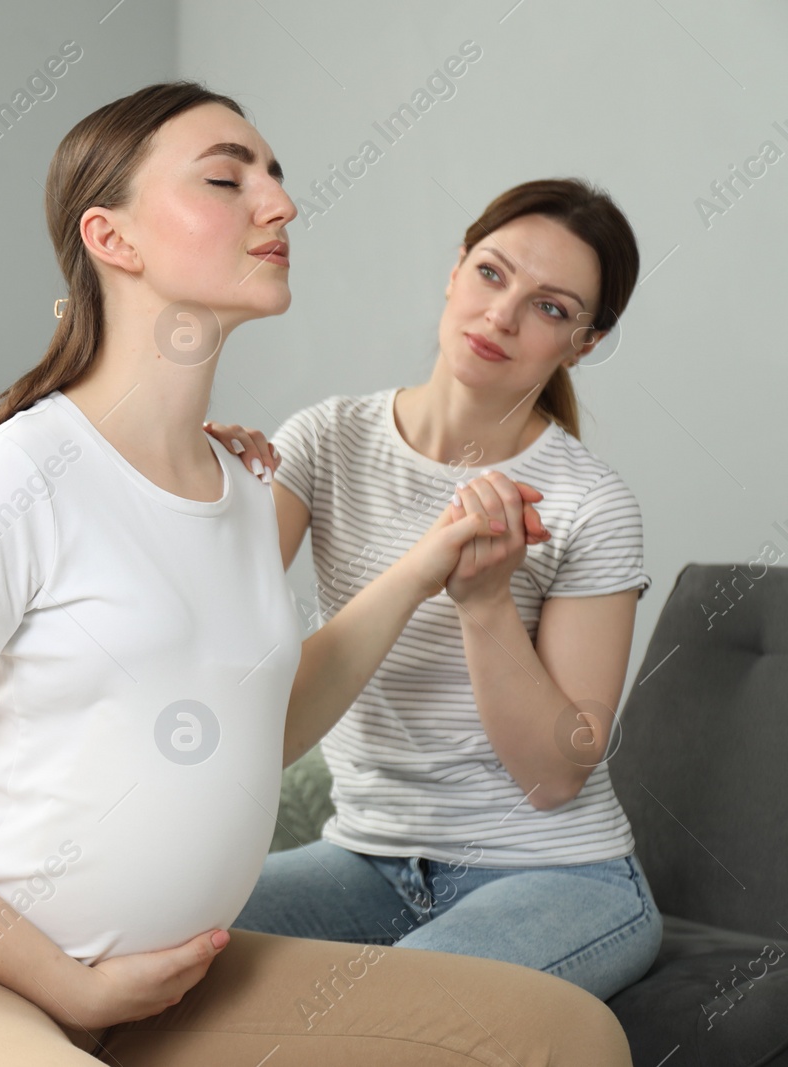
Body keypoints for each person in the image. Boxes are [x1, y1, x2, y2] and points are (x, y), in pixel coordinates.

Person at [0, 82, 633, 1065]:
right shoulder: (22, 470)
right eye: (227, 178)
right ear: (113, 238)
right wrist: (74, 984)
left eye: (274, 178)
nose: (276, 203)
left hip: (165, 986)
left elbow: (259, 723)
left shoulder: (242, 484)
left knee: (564, 1034)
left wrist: (423, 570)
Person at [205, 178, 661, 1001]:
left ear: (584, 343)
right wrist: (187, 483)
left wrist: (486, 607)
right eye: (492, 273)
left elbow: (554, 777)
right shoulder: (326, 441)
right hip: (364, 860)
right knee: (149, 944)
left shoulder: (592, 503)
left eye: (551, 308)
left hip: (556, 873)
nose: (504, 314)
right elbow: (204, 644)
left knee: (380, 1019)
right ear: (455, 270)